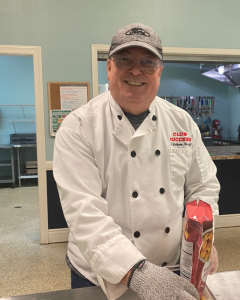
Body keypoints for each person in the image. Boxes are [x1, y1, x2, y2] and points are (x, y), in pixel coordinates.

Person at [53, 23, 220, 300]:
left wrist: (203, 238)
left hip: (174, 266)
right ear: (109, 67)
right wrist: (136, 271)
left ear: (159, 71)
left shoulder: (182, 123)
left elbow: (203, 187)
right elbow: (84, 212)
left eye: (147, 62)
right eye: (125, 60)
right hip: (99, 275)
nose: (135, 70)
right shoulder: (78, 127)